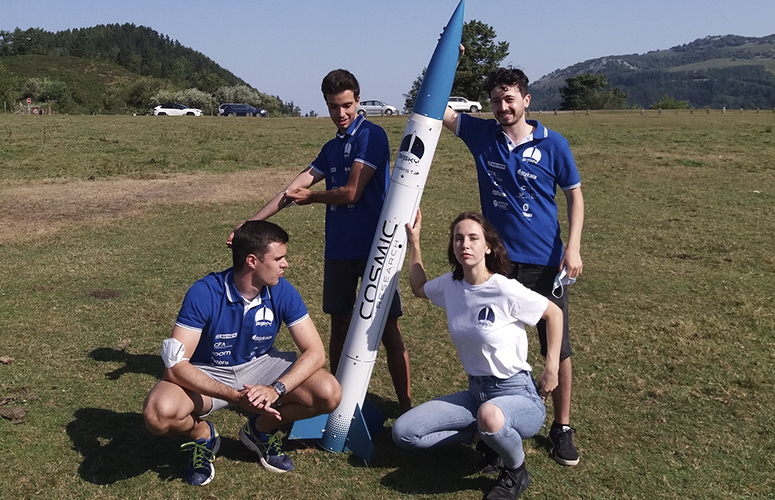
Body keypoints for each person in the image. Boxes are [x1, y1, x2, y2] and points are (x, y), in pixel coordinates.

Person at [228, 69, 411, 412]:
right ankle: (337, 402)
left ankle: (405, 406)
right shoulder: (331, 148)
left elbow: (352, 192)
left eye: (346, 105)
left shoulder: (372, 135)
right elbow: (291, 190)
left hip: (376, 249)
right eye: (333, 106)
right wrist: (250, 223)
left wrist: (312, 197)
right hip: (338, 249)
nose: (341, 113)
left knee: (388, 327)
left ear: (358, 100)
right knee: (338, 324)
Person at [442, 60, 584, 467]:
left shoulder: (553, 144)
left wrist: (573, 248)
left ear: (526, 100)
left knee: (557, 346)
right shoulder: (482, 135)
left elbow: (574, 196)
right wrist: (452, 58)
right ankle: (496, 429)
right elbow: (434, 106)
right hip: (499, 265)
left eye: (509, 99)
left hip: (545, 263)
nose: (502, 107)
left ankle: (561, 426)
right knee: (499, 344)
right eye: (495, 101)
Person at [144, 220, 341, 486]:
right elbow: (175, 366)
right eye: (278, 258)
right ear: (252, 261)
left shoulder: (282, 289)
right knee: (158, 414)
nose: (286, 264)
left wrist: (276, 389)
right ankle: (202, 435)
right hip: (208, 370)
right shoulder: (204, 292)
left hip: (260, 365)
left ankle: (260, 430)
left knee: (329, 393)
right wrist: (235, 397)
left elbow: (315, 352)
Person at [393, 210, 562, 500]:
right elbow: (419, 288)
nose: (465, 245)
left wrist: (552, 368)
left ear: (488, 247)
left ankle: (516, 471)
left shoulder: (504, 289)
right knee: (404, 432)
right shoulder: (451, 285)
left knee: (490, 416)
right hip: (476, 393)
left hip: (517, 393)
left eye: (473, 238)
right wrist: (415, 243)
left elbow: (554, 314)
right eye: (458, 239)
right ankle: (486, 437)